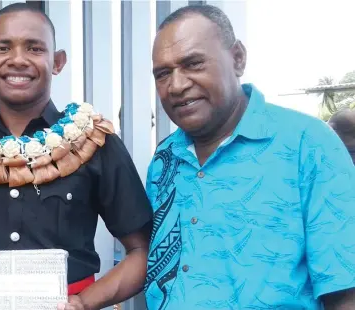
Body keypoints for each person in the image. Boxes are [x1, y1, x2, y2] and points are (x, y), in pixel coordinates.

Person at [0, 4, 153, 310]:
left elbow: (142, 251)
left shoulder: (90, 141)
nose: (18, 60)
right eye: (3, 47)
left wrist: (84, 302)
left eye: (34, 48)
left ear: (57, 62)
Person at [146, 4, 355, 309]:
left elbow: (344, 291)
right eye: (163, 73)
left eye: (193, 63)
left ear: (238, 58)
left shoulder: (307, 145)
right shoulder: (165, 158)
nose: (176, 85)